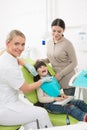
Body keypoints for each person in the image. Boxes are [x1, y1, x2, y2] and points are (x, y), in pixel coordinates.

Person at [0, 30, 53, 130]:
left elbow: (17, 58)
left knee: (32, 122)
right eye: (16, 44)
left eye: (23, 44)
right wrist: (42, 81)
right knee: (42, 113)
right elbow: (27, 89)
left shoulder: (6, 55)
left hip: (12, 102)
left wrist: (26, 64)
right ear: (7, 43)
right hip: (5, 109)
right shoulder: (8, 67)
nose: (20, 48)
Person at [39, 18, 78, 96]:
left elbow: (74, 63)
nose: (56, 34)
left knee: (69, 105)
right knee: (57, 104)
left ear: (63, 30)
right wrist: (42, 61)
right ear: (51, 29)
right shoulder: (49, 42)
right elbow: (51, 58)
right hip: (55, 79)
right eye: (54, 31)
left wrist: (60, 75)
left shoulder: (67, 44)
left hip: (67, 79)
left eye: (59, 31)